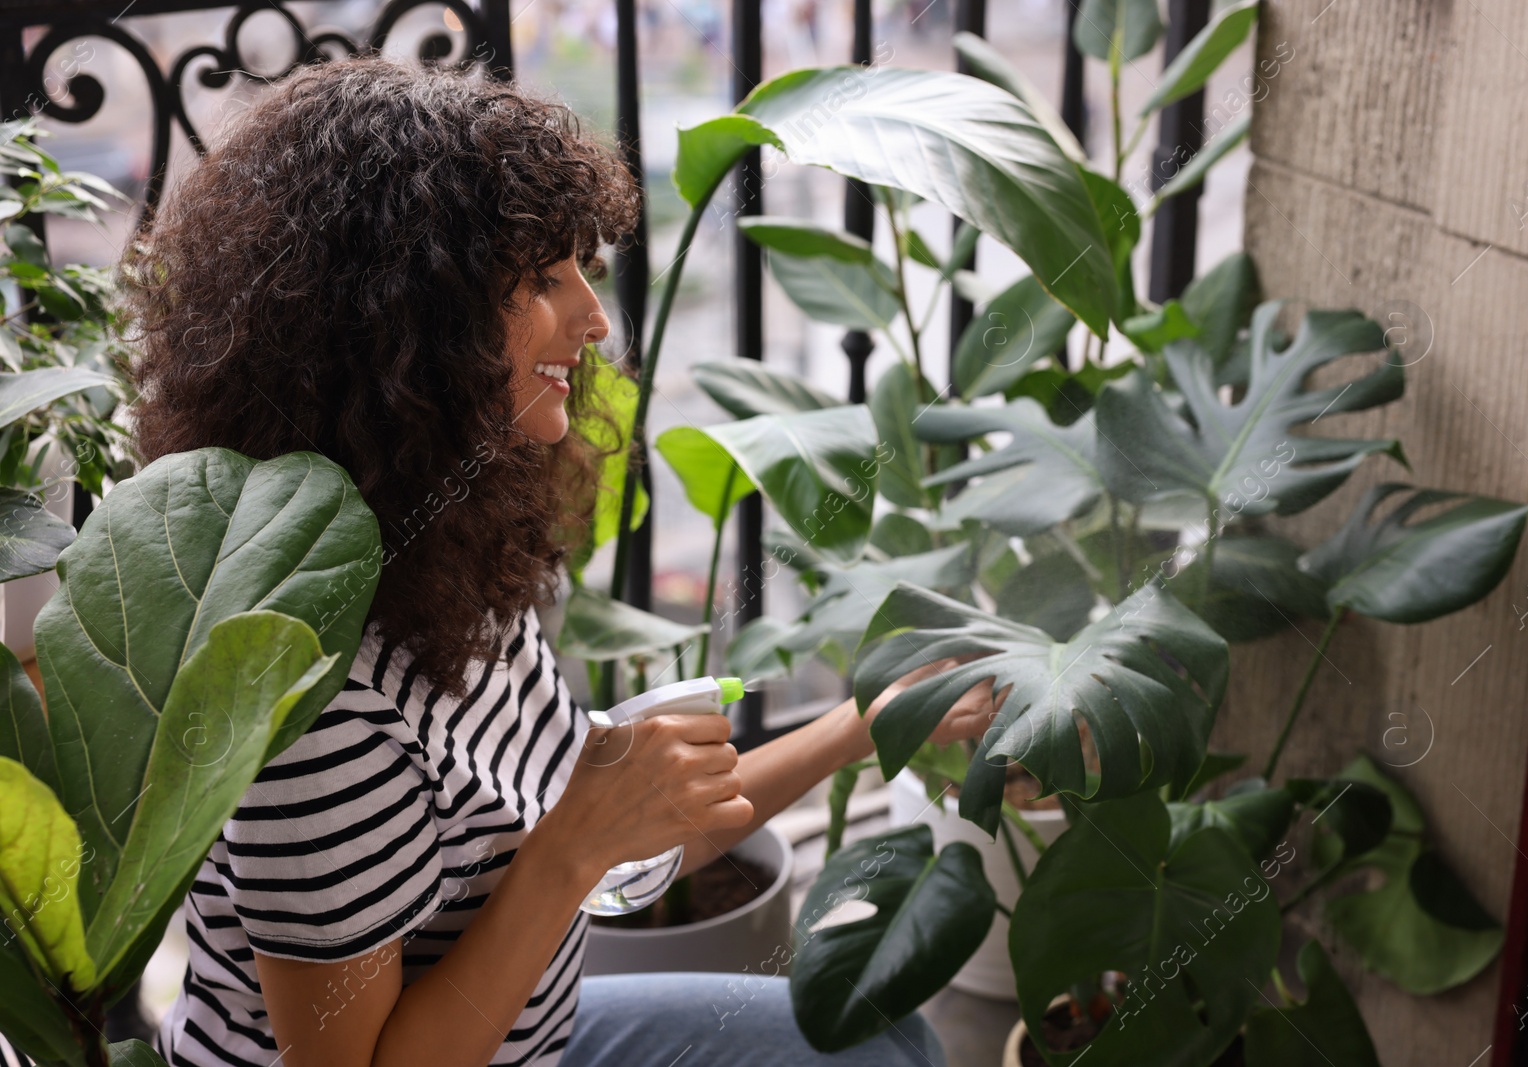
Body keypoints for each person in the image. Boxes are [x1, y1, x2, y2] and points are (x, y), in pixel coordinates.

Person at [117, 52, 1002, 1067]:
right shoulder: (315, 700)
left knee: (885, 1040)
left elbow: (613, 836)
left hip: (528, 1039)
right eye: (542, 279)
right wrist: (570, 847)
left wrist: (867, 720)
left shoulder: (440, 561)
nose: (594, 319)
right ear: (401, 323)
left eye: (581, 268)